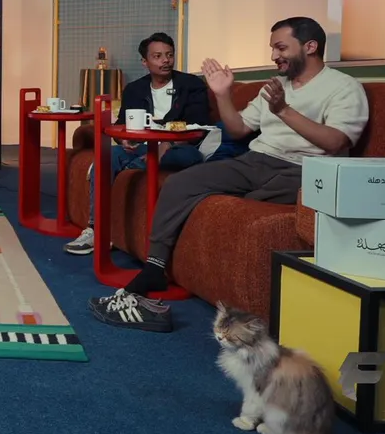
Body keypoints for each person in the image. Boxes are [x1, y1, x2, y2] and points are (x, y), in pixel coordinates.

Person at [88, 17, 369, 331]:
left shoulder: (344, 87)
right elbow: (238, 130)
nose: (274, 55)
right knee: (181, 183)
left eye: (280, 48)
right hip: (255, 160)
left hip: (308, 169)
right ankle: (154, 267)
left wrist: (284, 111)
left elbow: (336, 141)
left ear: (310, 46)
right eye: (273, 48)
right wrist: (223, 94)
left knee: (251, 200)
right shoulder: (275, 87)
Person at [64, 32, 211, 255]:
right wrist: (123, 138)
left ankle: (135, 165)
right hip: (142, 146)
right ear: (145, 61)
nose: (165, 61)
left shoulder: (191, 85)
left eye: (169, 55)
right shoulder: (134, 89)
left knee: (190, 158)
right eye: (158, 56)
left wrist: (168, 144)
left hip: (179, 147)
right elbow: (121, 124)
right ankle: (96, 230)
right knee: (106, 157)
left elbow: (200, 125)